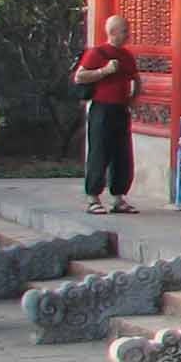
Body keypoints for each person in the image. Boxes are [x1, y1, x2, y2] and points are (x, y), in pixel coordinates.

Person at [73, 15, 139, 215]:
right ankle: (93, 197)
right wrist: (104, 71)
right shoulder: (97, 53)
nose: (128, 34)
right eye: (124, 31)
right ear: (112, 32)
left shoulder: (127, 55)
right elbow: (80, 76)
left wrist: (133, 98)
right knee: (99, 152)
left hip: (121, 109)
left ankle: (119, 197)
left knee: (123, 154)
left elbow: (135, 78)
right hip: (102, 108)